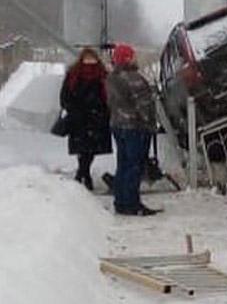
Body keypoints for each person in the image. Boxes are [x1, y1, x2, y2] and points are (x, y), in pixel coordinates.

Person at [106, 44, 162, 216]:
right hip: (135, 127)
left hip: (118, 125)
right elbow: (144, 106)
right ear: (128, 58)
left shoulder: (112, 78)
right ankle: (132, 203)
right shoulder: (134, 78)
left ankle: (121, 201)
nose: (136, 58)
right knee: (134, 165)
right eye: (133, 55)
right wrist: (151, 125)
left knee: (123, 164)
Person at [58, 47, 112, 190]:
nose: (89, 61)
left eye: (92, 58)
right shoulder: (74, 74)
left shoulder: (102, 74)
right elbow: (65, 95)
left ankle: (82, 173)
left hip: (97, 117)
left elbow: (108, 95)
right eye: (87, 58)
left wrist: (104, 110)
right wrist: (72, 109)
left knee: (91, 149)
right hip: (79, 117)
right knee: (83, 148)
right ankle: (84, 174)